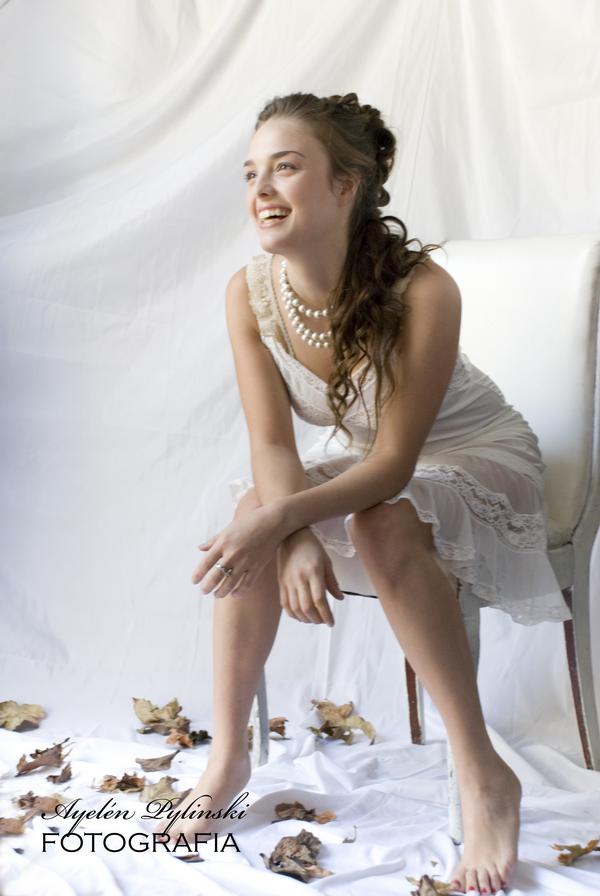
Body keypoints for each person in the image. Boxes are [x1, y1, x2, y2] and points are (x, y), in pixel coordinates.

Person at [156, 92, 572, 893]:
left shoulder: (426, 290)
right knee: (254, 512)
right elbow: (272, 444)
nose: (261, 189)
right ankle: (228, 757)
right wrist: (290, 535)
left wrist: (286, 519)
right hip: (376, 463)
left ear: (346, 185)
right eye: (251, 172)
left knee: (379, 520)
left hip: (476, 454)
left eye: (285, 167)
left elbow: (393, 464)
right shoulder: (249, 293)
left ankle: (483, 773)